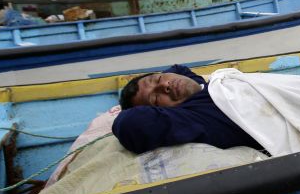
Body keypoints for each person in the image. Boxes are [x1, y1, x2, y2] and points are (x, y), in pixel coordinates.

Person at [113, 64, 264, 154]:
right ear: (162, 113)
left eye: (158, 79)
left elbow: (178, 69)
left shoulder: (200, 86)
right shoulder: (193, 118)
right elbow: (130, 123)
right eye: (155, 98)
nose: (165, 85)